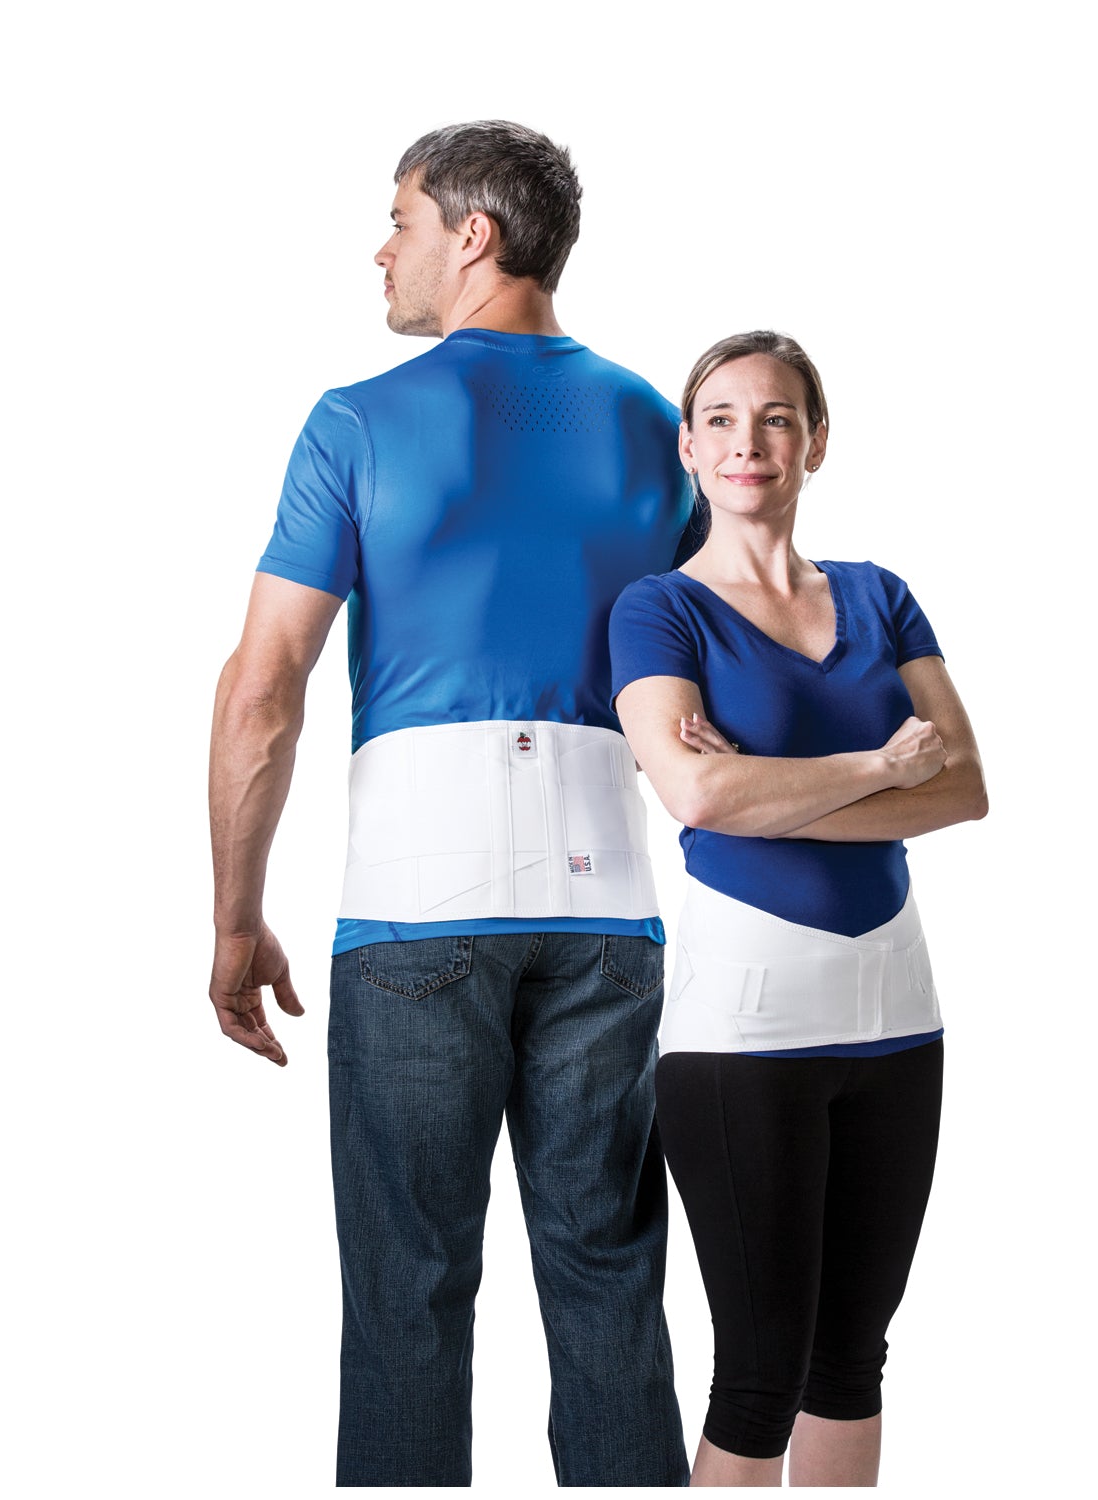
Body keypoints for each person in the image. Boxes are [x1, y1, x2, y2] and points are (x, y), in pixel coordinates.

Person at [207, 121, 696, 1488]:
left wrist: (237, 918)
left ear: (472, 235)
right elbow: (718, 669)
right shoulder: (659, 428)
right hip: (609, 908)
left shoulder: (360, 422)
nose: (383, 250)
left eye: (402, 220)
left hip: (417, 909)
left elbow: (263, 689)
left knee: (406, 1302)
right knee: (611, 1290)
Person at [609, 331, 988, 1487]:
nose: (749, 442)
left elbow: (964, 788)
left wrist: (768, 794)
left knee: (851, 1365)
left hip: (898, 1016)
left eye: (776, 418)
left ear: (815, 442)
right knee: (760, 1374)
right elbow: (697, 794)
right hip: (745, 1031)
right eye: (721, 419)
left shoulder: (881, 595)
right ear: (688, 447)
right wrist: (880, 768)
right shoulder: (659, 610)